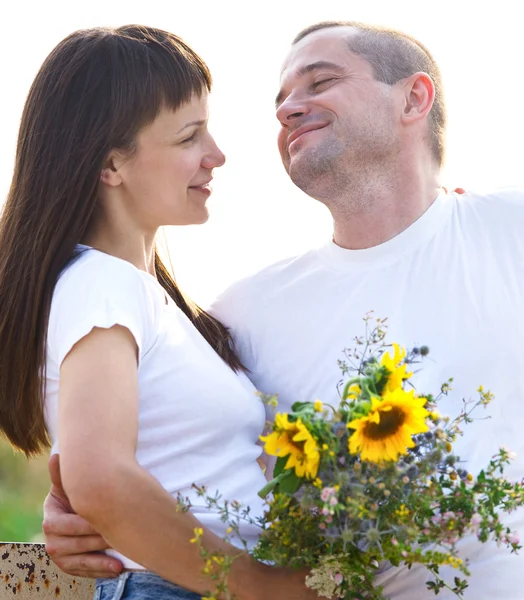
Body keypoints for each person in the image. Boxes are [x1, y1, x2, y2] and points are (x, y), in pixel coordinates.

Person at [42, 20, 524, 598]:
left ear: (414, 97)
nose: (288, 109)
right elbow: (153, 448)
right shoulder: (239, 315)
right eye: (280, 101)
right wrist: (83, 501)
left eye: (320, 82)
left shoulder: (508, 230)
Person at [0, 24, 319, 600]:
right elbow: (100, 479)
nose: (216, 156)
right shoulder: (100, 285)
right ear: (112, 165)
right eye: (189, 138)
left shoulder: (139, 295)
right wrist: (263, 587)